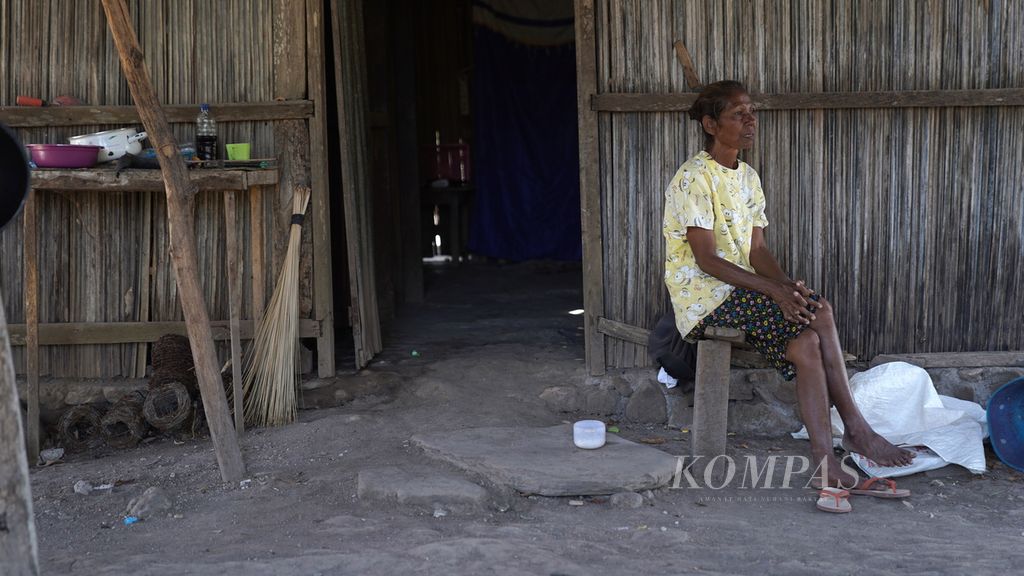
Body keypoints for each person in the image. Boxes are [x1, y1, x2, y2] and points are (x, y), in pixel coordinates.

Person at [662, 80, 914, 489]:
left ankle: (828, 455)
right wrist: (774, 292)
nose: (750, 120)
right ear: (710, 124)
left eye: (751, 112)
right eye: (737, 114)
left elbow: (757, 249)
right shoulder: (693, 178)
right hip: (704, 295)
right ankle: (853, 428)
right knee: (818, 321)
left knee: (811, 327)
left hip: (742, 289)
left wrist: (786, 288)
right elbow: (707, 259)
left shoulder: (747, 177)